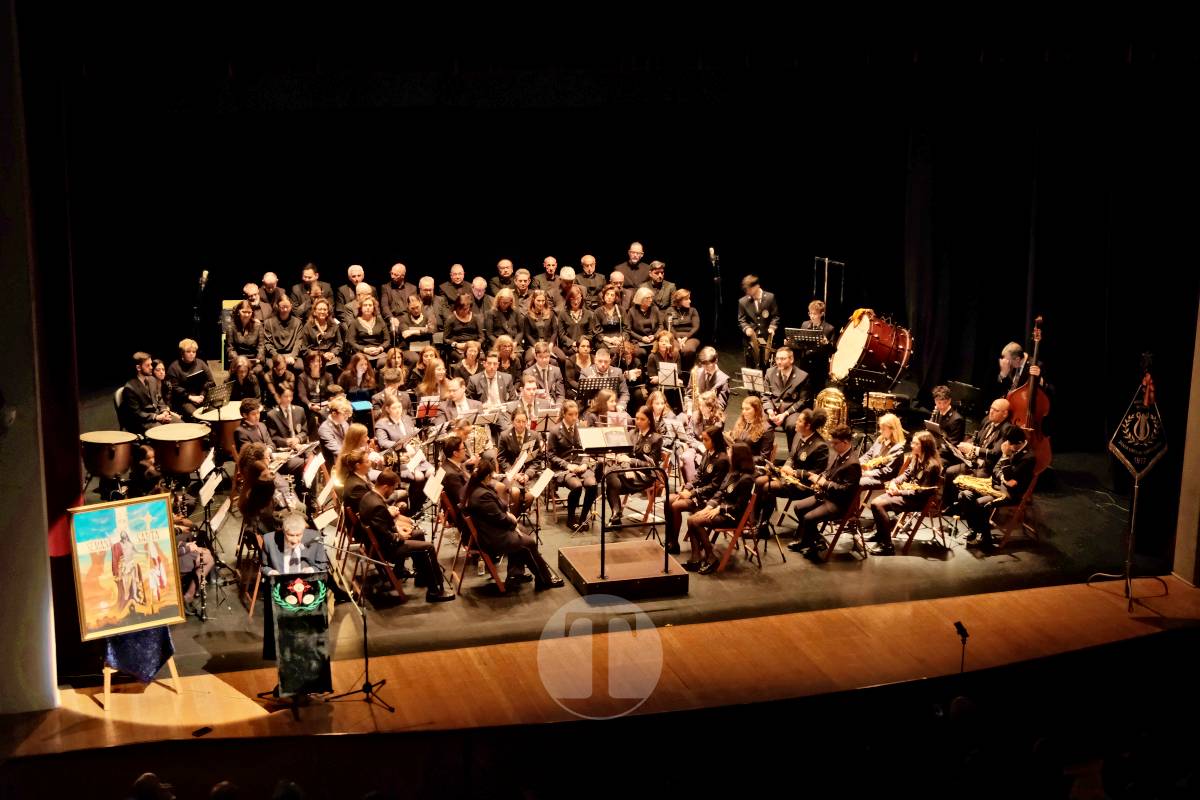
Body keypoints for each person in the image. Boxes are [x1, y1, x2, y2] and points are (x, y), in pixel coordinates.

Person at [464, 456, 563, 591]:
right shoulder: (482, 495)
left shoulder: (477, 488)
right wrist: (511, 519)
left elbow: (497, 514)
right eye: (492, 475)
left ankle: (515, 574)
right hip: (492, 537)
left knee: (524, 531)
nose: (493, 478)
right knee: (529, 543)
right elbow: (501, 519)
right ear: (487, 476)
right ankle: (545, 580)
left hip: (491, 529)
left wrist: (509, 518)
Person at [359, 470, 456, 601]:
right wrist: (400, 536)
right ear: (385, 486)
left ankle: (422, 577)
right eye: (393, 488)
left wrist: (400, 529)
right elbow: (387, 537)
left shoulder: (368, 497)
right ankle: (435, 591)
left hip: (379, 542)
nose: (393, 492)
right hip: (386, 549)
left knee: (418, 534)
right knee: (428, 547)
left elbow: (381, 527)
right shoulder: (377, 506)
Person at [786, 424, 862, 557]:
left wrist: (824, 483)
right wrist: (820, 477)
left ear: (846, 442)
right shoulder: (838, 453)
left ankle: (812, 545)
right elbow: (829, 471)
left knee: (809, 518)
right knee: (798, 508)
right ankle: (814, 541)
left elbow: (846, 490)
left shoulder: (853, 464)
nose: (832, 445)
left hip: (840, 503)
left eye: (835, 443)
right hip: (828, 496)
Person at [682, 442, 757, 573]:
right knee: (692, 519)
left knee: (694, 521)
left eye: (731, 452)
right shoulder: (733, 472)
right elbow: (720, 492)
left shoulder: (747, 479)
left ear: (738, 457)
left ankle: (711, 558)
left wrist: (720, 509)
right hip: (722, 510)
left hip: (733, 516)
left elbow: (739, 507)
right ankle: (695, 558)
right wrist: (709, 507)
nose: (728, 454)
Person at [957, 426, 1036, 552]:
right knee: (964, 494)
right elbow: (996, 469)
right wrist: (1004, 477)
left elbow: (1011, 482)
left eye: (1011, 444)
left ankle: (986, 539)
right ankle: (975, 529)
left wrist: (1005, 457)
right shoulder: (1010, 445)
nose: (1008, 446)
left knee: (980, 503)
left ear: (1020, 443)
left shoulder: (1028, 458)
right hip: (997, 486)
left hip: (1010, 494)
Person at [867, 430, 943, 555]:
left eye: (915, 444)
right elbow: (906, 474)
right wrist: (894, 482)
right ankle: (881, 535)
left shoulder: (932, 466)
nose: (912, 446)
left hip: (919, 500)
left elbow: (922, 492)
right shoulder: (916, 457)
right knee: (875, 503)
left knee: (878, 504)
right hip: (909, 494)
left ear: (924, 446)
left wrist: (899, 493)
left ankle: (887, 546)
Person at [756, 408, 828, 534]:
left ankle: (762, 528)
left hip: (804, 485)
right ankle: (755, 521)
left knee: (767, 487)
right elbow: (791, 456)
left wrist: (794, 472)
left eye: (799, 421)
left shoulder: (820, 446)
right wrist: (787, 466)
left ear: (808, 425)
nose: (796, 423)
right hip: (790, 478)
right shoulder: (798, 435)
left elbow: (817, 473)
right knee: (759, 481)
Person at [665, 425, 729, 556]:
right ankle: (671, 540)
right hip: (699, 494)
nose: (703, 442)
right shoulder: (707, 453)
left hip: (709, 500)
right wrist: (688, 487)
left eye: (706, 440)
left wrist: (692, 493)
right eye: (703, 439)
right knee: (668, 500)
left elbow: (714, 486)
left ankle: (675, 543)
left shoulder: (722, 459)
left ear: (715, 440)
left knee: (676, 505)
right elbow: (698, 475)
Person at [943, 398, 1013, 511]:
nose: (991, 412)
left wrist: (973, 449)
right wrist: (967, 446)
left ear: (1005, 414)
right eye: (991, 408)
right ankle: (949, 505)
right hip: (974, 462)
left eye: (996, 410)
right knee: (950, 471)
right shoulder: (987, 420)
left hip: (987, 469)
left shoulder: (1007, 428)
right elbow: (977, 439)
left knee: (964, 479)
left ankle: (963, 509)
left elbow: (995, 453)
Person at [606, 405, 663, 526]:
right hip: (628, 471)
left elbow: (650, 464)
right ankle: (616, 514)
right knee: (610, 475)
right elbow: (625, 454)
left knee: (611, 482)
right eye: (637, 418)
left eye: (642, 419)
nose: (638, 422)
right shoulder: (632, 433)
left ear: (649, 420)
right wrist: (623, 461)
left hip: (645, 475)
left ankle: (616, 515)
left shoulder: (656, 438)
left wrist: (630, 461)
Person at [375, 395, 434, 502]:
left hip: (414, 456)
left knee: (431, 471)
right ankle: (415, 505)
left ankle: (423, 500)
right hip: (399, 460)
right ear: (387, 409)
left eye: (399, 407)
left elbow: (413, 435)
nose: (398, 410)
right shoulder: (382, 424)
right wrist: (404, 445)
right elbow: (383, 442)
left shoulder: (406, 419)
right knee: (419, 476)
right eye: (394, 408)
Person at [549, 400, 597, 528]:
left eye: (576, 414)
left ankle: (583, 517)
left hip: (580, 465)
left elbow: (587, 451)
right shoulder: (555, 431)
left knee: (592, 485)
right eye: (571, 414)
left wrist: (585, 464)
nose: (574, 417)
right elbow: (551, 456)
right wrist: (567, 465)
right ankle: (571, 518)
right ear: (564, 414)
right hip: (563, 469)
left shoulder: (581, 429)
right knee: (576, 486)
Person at [496, 407, 546, 514]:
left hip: (529, 475)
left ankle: (514, 517)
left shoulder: (534, 435)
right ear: (512, 421)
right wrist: (514, 474)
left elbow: (538, 459)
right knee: (515, 492)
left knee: (531, 494)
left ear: (527, 422)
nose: (521, 424)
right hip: (511, 474)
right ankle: (514, 521)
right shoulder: (504, 436)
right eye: (518, 421)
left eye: (524, 421)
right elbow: (501, 458)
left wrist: (528, 474)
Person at [119, 351, 179, 433]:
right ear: (138, 368)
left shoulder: (152, 379)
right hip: (143, 422)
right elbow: (137, 413)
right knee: (164, 432)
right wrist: (156, 417)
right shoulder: (130, 388)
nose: (151, 367)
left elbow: (159, 399)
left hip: (158, 416)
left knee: (180, 424)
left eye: (151, 364)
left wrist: (164, 411)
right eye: (148, 365)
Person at [764, 346, 809, 449]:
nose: (779, 362)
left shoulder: (802, 376)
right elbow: (765, 394)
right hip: (773, 407)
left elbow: (803, 400)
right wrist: (770, 411)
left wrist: (784, 414)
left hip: (790, 411)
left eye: (783, 359)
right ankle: (765, 456)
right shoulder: (770, 372)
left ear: (791, 359)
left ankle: (792, 456)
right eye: (777, 359)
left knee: (793, 425)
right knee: (763, 424)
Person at [679, 389, 725, 484]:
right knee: (685, 457)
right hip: (695, 446)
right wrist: (699, 446)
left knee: (704, 464)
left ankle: (697, 486)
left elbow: (714, 441)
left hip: (711, 450)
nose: (700, 408)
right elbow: (689, 435)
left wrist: (704, 448)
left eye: (703, 406)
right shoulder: (696, 415)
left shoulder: (718, 420)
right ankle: (691, 484)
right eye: (699, 405)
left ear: (710, 407)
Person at [262, 513, 330, 575]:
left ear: (303, 531)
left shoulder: (315, 537)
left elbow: (322, 564)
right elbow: (264, 566)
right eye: (291, 535)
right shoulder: (269, 540)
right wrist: (271, 572)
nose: (295, 540)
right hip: (281, 583)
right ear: (283, 531)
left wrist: (311, 569)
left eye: (298, 535)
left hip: (306, 582)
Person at [165, 338, 215, 419]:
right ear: (182, 353)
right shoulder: (174, 367)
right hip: (185, 400)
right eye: (188, 352)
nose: (192, 354)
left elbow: (210, 381)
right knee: (196, 415)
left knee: (213, 412)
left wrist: (202, 394)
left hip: (201, 396)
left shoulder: (201, 363)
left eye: (194, 352)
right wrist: (191, 397)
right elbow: (175, 387)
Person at [737, 274, 780, 369]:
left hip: (766, 337)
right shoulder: (742, 301)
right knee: (752, 365)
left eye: (749, 289)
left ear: (757, 286)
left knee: (766, 365)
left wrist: (772, 327)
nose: (747, 292)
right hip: (751, 340)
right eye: (746, 290)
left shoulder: (770, 297)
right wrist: (747, 328)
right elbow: (741, 320)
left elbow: (775, 316)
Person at [859, 412, 907, 490]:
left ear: (892, 429)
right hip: (872, 473)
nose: (880, 431)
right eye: (880, 428)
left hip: (884, 478)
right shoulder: (880, 440)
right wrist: (860, 464)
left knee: (857, 482)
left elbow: (888, 471)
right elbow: (868, 455)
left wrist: (868, 473)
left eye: (883, 429)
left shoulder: (897, 448)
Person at [345, 294, 391, 366]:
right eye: (365, 305)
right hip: (362, 352)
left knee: (383, 363)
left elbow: (387, 339)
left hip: (379, 351)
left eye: (370, 305)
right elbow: (351, 342)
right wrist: (365, 349)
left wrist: (380, 348)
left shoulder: (380, 321)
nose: (368, 307)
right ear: (361, 307)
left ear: (374, 308)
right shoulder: (355, 322)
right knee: (364, 364)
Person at [300, 297, 342, 374]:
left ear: (328, 312)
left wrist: (332, 353)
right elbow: (304, 348)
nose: (322, 311)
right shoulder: (308, 326)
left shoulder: (334, 325)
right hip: (314, 356)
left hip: (331, 356)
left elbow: (339, 345)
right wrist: (319, 355)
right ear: (315, 311)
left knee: (337, 365)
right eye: (320, 309)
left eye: (325, 309)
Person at [264, 296, 305, 371]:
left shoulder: (297, 322)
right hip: (275, 355)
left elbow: (299, 342)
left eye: (287, 307)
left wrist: (293, 356)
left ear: (291, 306)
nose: (285, 310)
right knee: (271, 367)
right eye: (282, 307)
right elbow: (268, 343)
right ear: (277, 306)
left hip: (291, 354)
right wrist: (278, 357)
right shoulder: (268, 323)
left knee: (300, 366)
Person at [732, 395, 775, 464]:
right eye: (743, 409)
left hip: (752, 466)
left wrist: (743, 460)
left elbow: (764, 458)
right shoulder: (740, 423)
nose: (743, 412)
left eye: (747, 409)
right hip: (737, 462)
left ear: (756, 410)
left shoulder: (767, 429)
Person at [556, 285, 597, 359]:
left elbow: (591, 334)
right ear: (568, 299)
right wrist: (573, 343)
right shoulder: (563, 314)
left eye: (578, 298)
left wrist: (582, 343)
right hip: (569, 347)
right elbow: (561, 335)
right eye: (572, 299)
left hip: (585, 346)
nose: (576, 302)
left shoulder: (588, 314)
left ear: (581, 298)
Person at [929, 384, 967, 464]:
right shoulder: (936, 413)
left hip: (948, 455)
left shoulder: (957, 419)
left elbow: (952, 445)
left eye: (945, 403)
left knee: (929, 462)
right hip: (936, 449)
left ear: (949, 401)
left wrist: (932, 453)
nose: (942, 406)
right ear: (935, 401)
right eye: (939, 403)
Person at [666, 288, 702, 370]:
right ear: (679, 301)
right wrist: (678, 338)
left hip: (691, 337)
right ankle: (675, 373)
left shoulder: (693, 310)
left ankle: (687, 373)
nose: (690, 301)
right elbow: (670, 327)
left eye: (689, 298)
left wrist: (686, 338)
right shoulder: (670, 310)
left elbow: (696, 327)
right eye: (686, 299)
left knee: (688, 350)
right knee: (674, 350)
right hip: (674, 337)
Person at [226, 300, 266, 372]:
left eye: (249, 312)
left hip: (253, 359)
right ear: (238, 311)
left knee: (256, 371)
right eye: (244, 312)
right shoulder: (231, 326)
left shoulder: (258, 325)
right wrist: (239, 360)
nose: (246, 315)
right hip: (238, 359)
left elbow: (261, 346)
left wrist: (258, 359)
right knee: (239, 371)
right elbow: (230, 348)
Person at [443, 292, 484, 363]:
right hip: (457, 346)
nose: (464, 311)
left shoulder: (476, 318)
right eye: (462, 309)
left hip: (473, 345)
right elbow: (445, 339)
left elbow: (482, 337)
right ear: (457, 307)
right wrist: (456, 344)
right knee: (463, 358)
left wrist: (476, 344)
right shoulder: (451, 319)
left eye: (466, 309)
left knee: (482, 357)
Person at [380, 262, 418, 334]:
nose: (392, 276)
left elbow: (414, 306)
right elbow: (384, 306)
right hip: (393, 318)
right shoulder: (385, 287)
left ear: (403, 276)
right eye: (391, 273)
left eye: (396, 275)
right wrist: (391, 318)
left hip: (409, 319)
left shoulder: (412, 288)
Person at [485, 288, 525, 353]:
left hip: (512, 341)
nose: (503, 304)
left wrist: (515, 342)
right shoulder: (491, 313)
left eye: (506, 303)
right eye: (502, 302)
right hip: (497, 342)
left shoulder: (516, 312)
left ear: (511, 302)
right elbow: (489, 334)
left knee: (518, 356)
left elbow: (520, 332)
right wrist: (500, 343)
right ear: (498, 300)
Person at [317, 396, 352, 466]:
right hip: (335, 465)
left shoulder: (344, 423)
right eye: (344, 415)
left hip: (347, 459)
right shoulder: (324, 429)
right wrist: (354, 456)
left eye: (347, 415)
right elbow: (337, 450)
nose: (347, 418)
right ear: (334, 414)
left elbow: (351, 441)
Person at [626, 287, 661, 353]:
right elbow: (629, 330)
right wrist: (641, 338)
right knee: (641, 352)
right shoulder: (632, 311)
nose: (651, 300)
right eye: (648, 298)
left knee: (658, 350)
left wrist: (655, 336)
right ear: (640, 299)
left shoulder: (655, 309)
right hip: (638, 340)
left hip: (653, 339)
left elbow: (661, 326)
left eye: (651, 297)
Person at [593, 283, 625, 353]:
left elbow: (626, 329)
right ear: (603, 296)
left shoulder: (621, 310)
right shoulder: (597, 311)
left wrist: (621, 339)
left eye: (612, 295)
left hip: (619, 339)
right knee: (613, 351)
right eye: (607, 294)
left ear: (616, 297)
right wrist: (609, 340)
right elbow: (597, 332)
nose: (609, 297)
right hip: (603, 340)